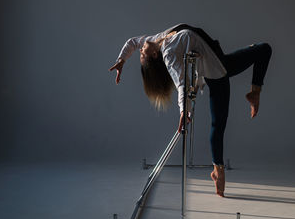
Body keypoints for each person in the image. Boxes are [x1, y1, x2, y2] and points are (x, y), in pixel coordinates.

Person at [109, 23, 272, 197]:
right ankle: (218, 170)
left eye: (141, 52)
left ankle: (255, 93)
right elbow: (181, 84)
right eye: (143, 54)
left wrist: (121, 61)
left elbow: (132, 42)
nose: (141, 50)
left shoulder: (156, 40)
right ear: (155, 55)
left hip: (218, 59)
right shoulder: (168, 54)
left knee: (263, 50)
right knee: (218, 125)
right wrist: (183, 110)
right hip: (218, 73)